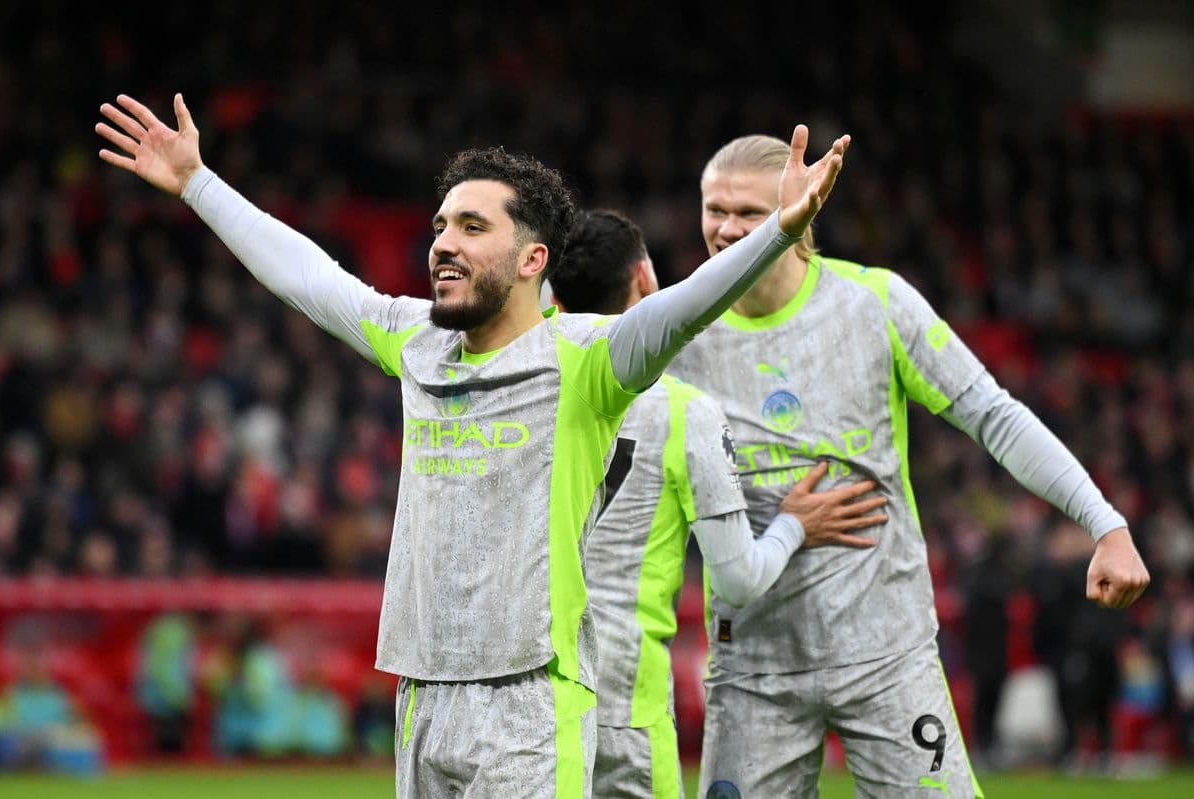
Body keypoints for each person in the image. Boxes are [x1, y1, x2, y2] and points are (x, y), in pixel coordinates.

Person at [95, 94, 849, 797]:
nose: (444, 244)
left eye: (472, 227)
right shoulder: (416, 341)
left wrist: (780, 230)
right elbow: (308, 277)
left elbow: (683, 309)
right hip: (422, 694)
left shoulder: (587, 361)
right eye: (441, 226)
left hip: (531, 701)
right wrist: (197, 183)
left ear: (532, 260)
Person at [668, 134, 1151, 798]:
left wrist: (1105, 522)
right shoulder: (677, 331)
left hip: (886, 655)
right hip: (754, 667)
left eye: (748, 212)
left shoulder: (872, 302)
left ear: (800, 209)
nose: (725, 229)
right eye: (714, 210)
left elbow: (994, 415)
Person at [550, 210, 886, 798]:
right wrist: (792, 525)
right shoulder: (684, 411)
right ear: (645, 278)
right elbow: (738, 579)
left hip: (533, 702)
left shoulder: (524, 382)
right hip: (623, 707)